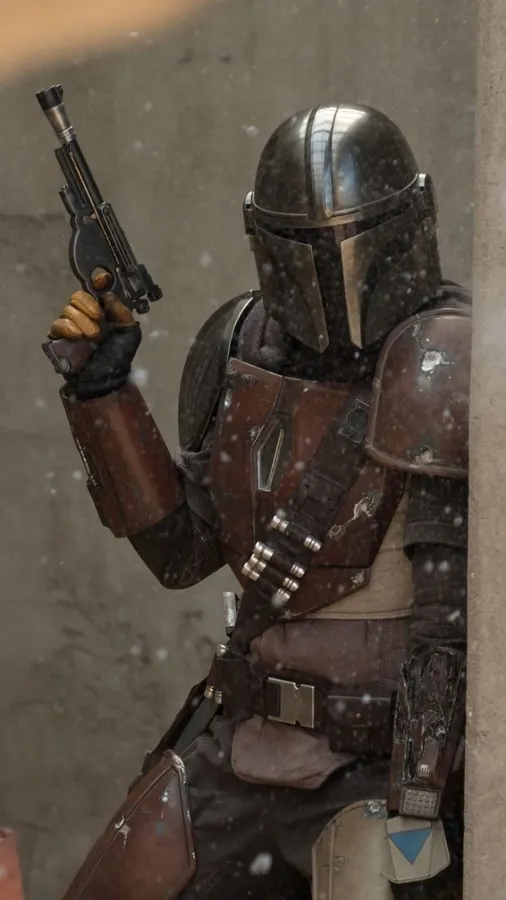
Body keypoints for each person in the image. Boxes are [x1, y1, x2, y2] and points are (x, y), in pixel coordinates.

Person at [47, 103, 470, 900]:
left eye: (350, 241)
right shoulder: (240, 340)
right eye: (305, 247)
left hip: (376, 773)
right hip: (241, 751)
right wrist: (103, 390)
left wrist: (418, 810)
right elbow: (182, 552)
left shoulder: (443, 358)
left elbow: (447, 637)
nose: (331, 272)